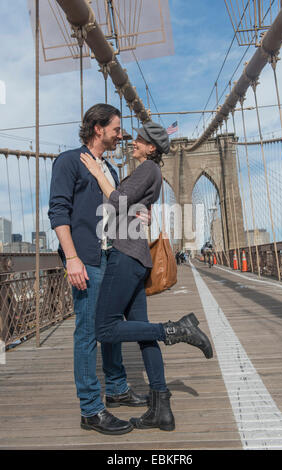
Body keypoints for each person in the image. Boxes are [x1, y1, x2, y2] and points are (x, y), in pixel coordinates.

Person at [80, 121, 213, 432]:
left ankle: (175, 329)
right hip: (136, 254)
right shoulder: (147, 171)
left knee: (104, 328)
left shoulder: (148, 169)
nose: (134, 142)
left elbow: (118, 200)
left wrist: (99, 173)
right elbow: (128, 204)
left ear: (152, 148)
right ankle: (160, 409)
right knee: (143, 334)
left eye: (140, 139)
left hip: (125, 255)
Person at [48, 103, 148, 437]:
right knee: (88, 332)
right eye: (117, 129)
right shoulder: (68, 162)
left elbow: (115, 214)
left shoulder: (111, 170)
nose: (122, 135)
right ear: (98, 129)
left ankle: (117, 389)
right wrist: (72, 258)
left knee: (110, 328)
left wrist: (136, 216)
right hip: (87, 260)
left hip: (112, 257)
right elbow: (58, 213)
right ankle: (91, 409)